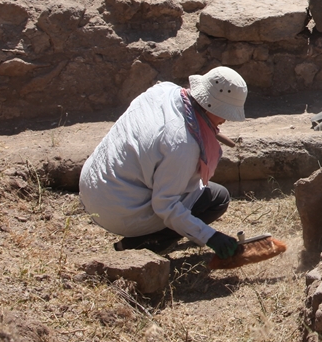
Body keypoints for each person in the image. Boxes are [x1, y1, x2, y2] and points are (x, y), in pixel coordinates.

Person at [79, 67, 247, 258]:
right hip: (116, 210)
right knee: (217, 200)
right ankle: (141, 246)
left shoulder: (163, 91)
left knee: (207, 192)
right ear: (211, 107)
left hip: (92, 184)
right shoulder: (183, 144)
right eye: (224, 113)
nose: (224, 120)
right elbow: (165, 205)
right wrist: (211, 237)